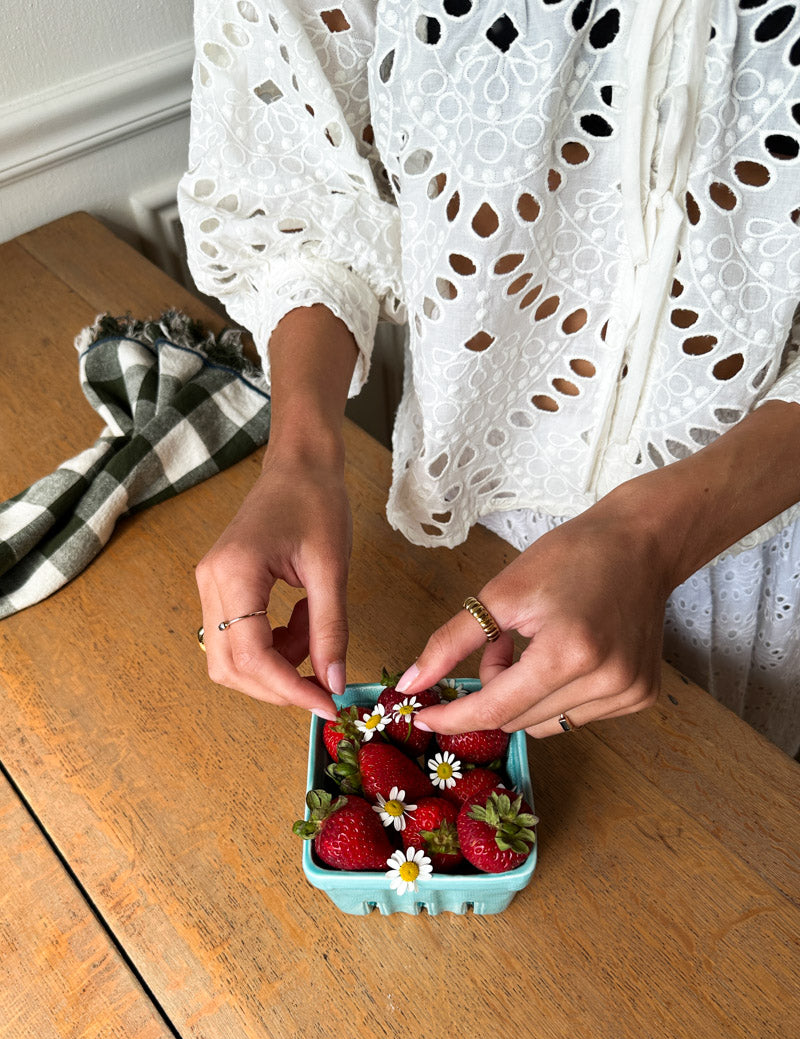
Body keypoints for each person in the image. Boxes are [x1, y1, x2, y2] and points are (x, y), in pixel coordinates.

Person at [178, 1, 800, 756]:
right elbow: (297, 185)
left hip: (754, 524)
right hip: (470, 523)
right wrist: (298, 459)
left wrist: (651, 539)